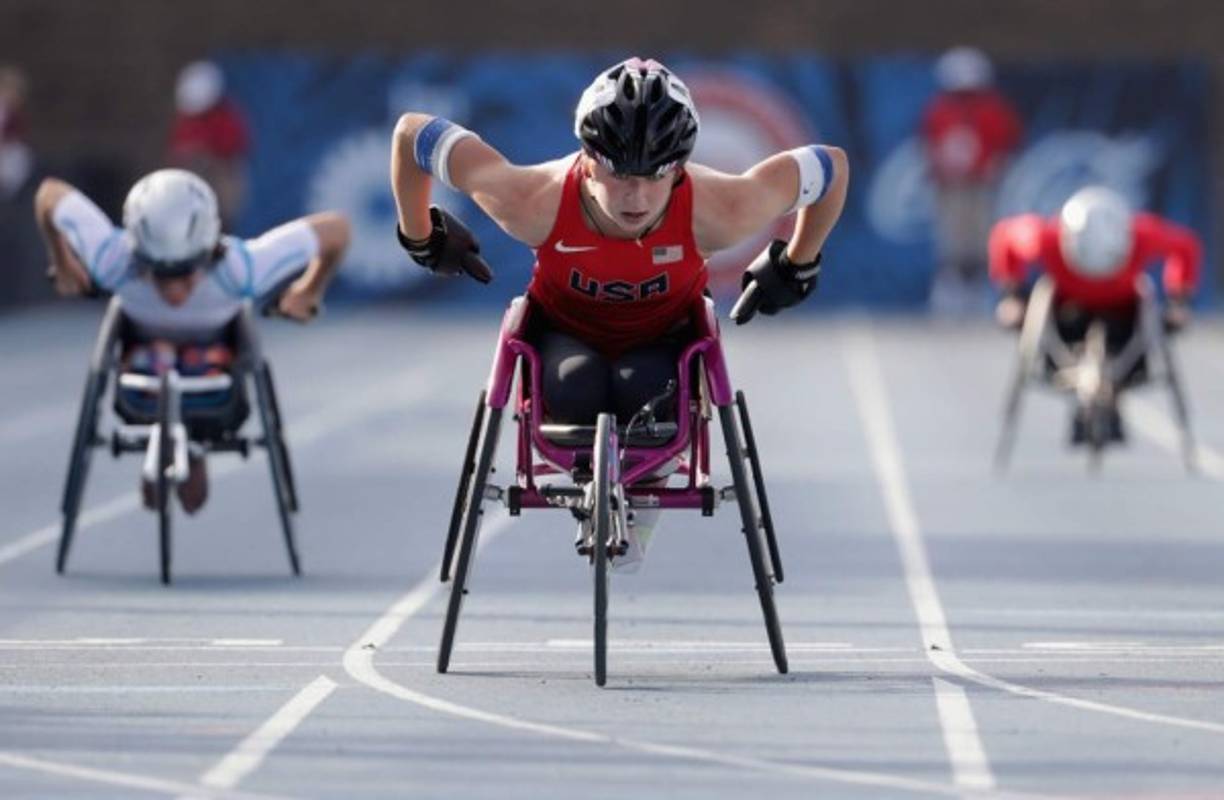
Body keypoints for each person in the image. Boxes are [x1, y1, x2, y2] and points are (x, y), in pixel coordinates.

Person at [390, 57, 848, 564]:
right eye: (617, 172)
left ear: (678, 168)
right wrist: (419, 234)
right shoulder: (530, 201)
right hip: (564, 340)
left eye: (654, 176)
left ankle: (643, 491)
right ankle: (600, 487)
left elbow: (832, 167)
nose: (635, 195)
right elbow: (411, 134)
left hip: (664, 345)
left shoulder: (723, 209)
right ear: (587, 158)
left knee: (645, 395)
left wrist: (799, 262)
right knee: (577, 387)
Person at [34, 167, 350, 512]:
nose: (174, 291)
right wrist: (62, 261)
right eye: (160, 274)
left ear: (209, 250)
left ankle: (192, 442)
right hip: (142, 373)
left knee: (192, 497)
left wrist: (308, 290)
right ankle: (172, 437)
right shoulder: (115, 260)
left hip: (213, 378)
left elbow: (337, 229)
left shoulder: (240, 268)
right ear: (137, 253)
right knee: (155, 357)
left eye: (186, 275)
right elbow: (49, 193)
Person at [989, 185, 1201, 443]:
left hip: (1125, 314)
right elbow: (1004, 237)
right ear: (1068, 243)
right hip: (1067, 313)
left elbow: (1186, 247)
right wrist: (1013, 295)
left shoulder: (1143, 235)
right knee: (1028, 313)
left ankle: (1114, 394)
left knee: (1154, 313)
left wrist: (1179, 299)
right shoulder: (1044, 238)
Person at [921, 46, 1022, 314]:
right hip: (951, 186)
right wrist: (938, 171)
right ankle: (952, 292)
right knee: (952, 241)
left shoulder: (993, 110)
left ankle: (979, 291)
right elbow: (928, 145)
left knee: (981, 240)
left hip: (980, 185)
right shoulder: (938, 111)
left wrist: (995, 168)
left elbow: (1006, 144)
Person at [166, 61, 250, 227]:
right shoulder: (186, 121)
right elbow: (177, 150)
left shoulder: (226, 118)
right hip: (190, 184)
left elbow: (235, 147)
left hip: (219, 177)